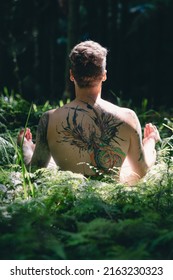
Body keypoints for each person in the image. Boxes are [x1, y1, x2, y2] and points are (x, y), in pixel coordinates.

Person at [17, 40, 160, 185]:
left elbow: (35, 171)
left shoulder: (49, 119)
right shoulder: (128, 117)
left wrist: (26, 148)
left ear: (72, 75)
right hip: (111, 200)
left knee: (52, 162)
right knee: (127, 165)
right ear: (104, 75)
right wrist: (150, 142)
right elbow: (142, 172)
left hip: (68, 197)